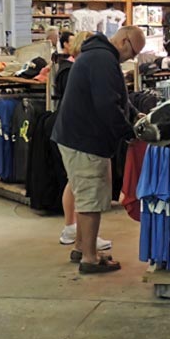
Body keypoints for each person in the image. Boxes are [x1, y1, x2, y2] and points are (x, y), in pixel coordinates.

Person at [51, 27, 145, 273]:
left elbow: (116, 99)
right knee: (91, 198)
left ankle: (83, 248)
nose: (131, 58)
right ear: (124, 41)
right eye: (133, 52)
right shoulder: (103, 59)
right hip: (85, 139)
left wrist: (135, 115)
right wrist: (128, 133)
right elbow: (107, 105)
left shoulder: (98, 55)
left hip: (78, 137)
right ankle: (90, 259)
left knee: (86, 196)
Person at [52, 31, 110, 254]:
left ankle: (79, 238)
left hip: (72, 132)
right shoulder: (74, 69)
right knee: (81, 187)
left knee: (76, 183)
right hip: (77, 134)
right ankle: (79, 239)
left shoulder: (74, 67)